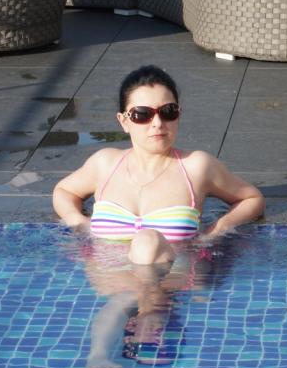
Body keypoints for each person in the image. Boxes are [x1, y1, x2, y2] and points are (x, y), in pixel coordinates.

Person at [52, 64, 265, 265]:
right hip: (110, 280)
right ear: (124, 121)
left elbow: (252, 198)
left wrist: (216, 230)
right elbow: (64, 191)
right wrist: (77, 221)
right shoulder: (105, 164)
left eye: (168, 112)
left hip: (169, 280)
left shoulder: (196, 167)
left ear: (178, 115)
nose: (157, 123)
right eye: (142, 114)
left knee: (148, 242)